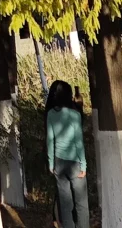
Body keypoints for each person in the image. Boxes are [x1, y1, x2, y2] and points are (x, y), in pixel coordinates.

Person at [46, 81, 89, 228]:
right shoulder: (75, 114)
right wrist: (83, 164)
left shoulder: (51, 114)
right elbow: (79, 142)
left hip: (58, 163)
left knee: (65, 205)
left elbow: (50, 140)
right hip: (75, 163)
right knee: (81, 205)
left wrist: (51, 163)